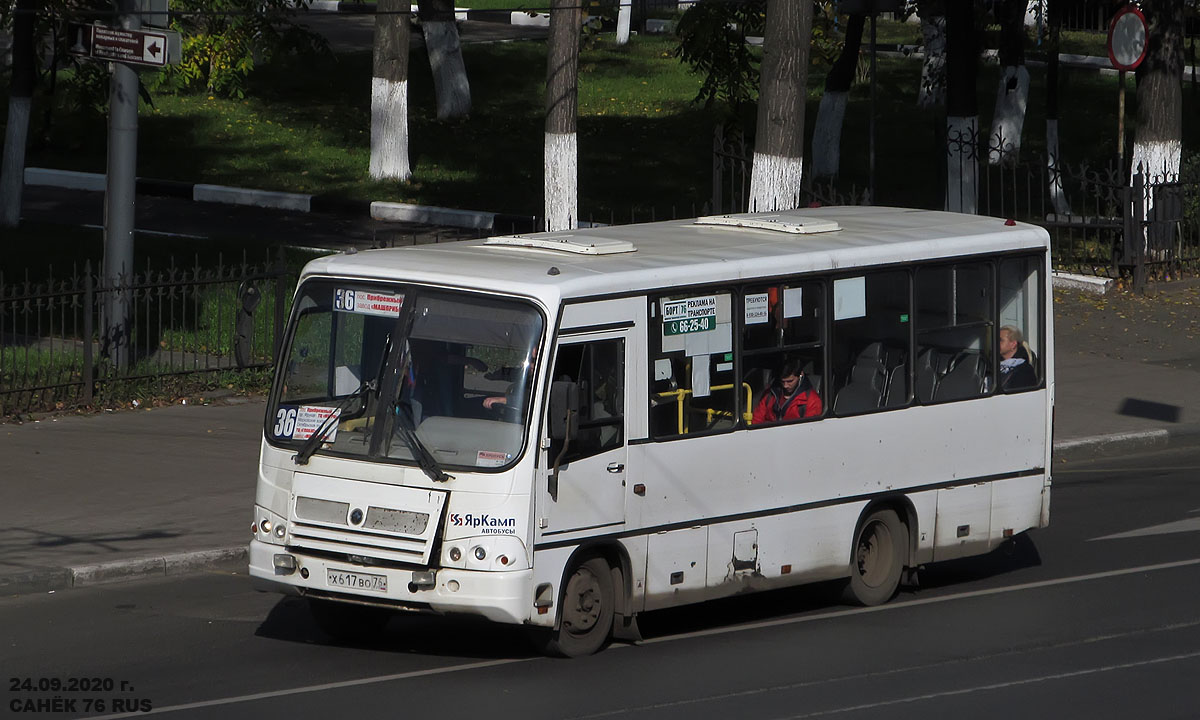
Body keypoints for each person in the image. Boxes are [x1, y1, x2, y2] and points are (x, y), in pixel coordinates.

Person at [752, 358, 822, 424]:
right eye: (782, 381)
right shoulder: (769, 394)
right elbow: (757, 420)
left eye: (790, 381)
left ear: (801, 374)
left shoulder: (812, 400)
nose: (785, 386)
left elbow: (810, 429)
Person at [999, 325, 1037, 390]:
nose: (996, 343)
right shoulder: (992, 364)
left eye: (1000, 340)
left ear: (1013, 344)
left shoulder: (1024, 371)